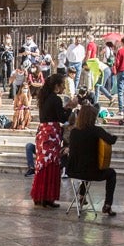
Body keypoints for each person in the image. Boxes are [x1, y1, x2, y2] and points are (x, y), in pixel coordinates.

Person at [65, 100, 119, 216]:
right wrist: (114, 134)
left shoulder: (74, 132)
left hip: (72, 171)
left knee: (86, 166)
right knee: (111, 174)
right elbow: (111, 140)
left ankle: (81, 196)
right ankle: (107, 205)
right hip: (90, 173)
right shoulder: (96, 130)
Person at [32, 71, 71, 207]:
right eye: (62, 85)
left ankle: (40, 195)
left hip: (43, 132)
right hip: (51, 134)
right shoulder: (55, 99)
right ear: (56, 86)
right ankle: (48, 197)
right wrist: (70, 107)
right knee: (51, 164)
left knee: (42, 164)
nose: (64, 88)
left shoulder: (44, 98)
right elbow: (62, 117)